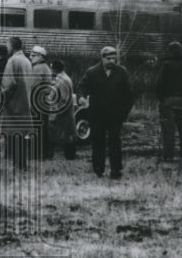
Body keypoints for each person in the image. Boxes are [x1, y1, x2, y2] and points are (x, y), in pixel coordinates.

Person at [76, 46, 133, 179]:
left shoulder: (122, 72)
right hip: (97, 115)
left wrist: (124, 113)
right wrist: (81, 98)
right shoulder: (92, 72)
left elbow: (129, 94)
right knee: (98, 142)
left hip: (115, 116)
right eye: (109, 58)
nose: (112, 61)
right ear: (102, 58)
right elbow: (81, 87)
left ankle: (116, 170)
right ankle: (98, 169)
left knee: (115, 142)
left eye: (114, 58)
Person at [0, 36, 35, 169]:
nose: (7, 48)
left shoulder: (12, 60)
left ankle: (17, 163)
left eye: (8, 45)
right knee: (21, 134)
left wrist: (2, 95)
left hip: (14, 103)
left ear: (12, 46)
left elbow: (9, 83)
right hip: (25, 102)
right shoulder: (26, 60)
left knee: (13, 134)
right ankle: (22, 163)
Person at [155, 41, 182, 162]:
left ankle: (169, 155)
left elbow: (159, 83)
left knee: (168, 129)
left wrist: (160, 98)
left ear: (170, 51)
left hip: (168, 100)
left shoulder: (166, 65)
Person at [29, 45, 54, 160]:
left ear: (40, 56)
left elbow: (33, 85)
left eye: (33, 55)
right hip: (43, 102)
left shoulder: (37, 68)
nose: (30, 57)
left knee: (36, 128)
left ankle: (37, 154)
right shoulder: (45, 67)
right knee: (44, 128)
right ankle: (47, 153)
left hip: (36, 102)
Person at [50, 59, 77, 160]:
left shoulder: (63, 80)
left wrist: (57, 112)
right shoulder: (62, 78)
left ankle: (70, 157)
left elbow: (64, 98)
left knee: (68, 136)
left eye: (51, 68)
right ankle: (70, 156)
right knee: (67, 135)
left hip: (64, 113)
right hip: (65, 112)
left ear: (55, 69)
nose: (50, 70)